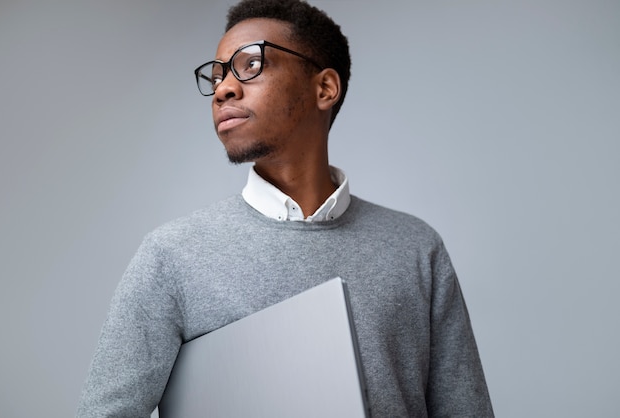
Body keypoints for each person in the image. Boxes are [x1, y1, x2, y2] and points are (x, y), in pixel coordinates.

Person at [78, 0, 494, 416]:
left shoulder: (416, 247)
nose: (223, 88)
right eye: (218, 74)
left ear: (324, 89)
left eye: (251, 64)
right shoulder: (172, 255)